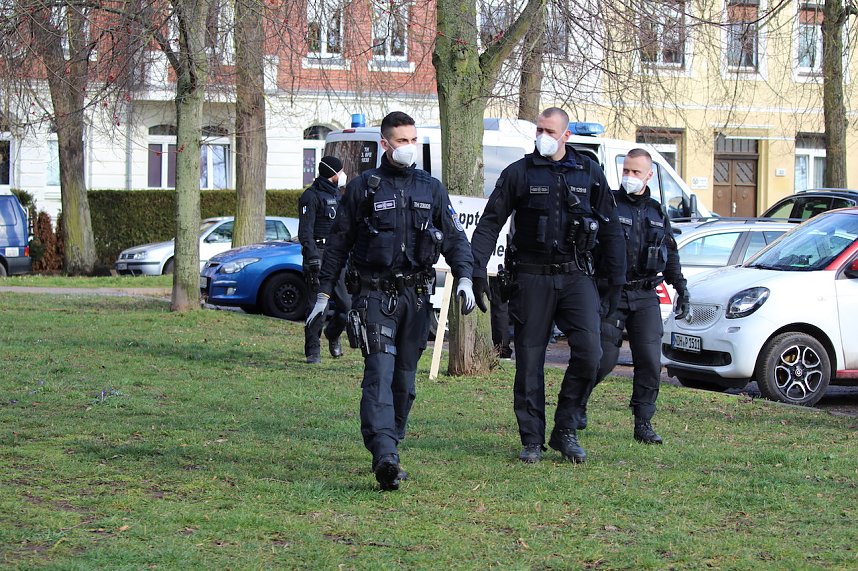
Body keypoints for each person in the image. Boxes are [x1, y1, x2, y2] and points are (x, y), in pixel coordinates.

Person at [309, 111, 476, 491]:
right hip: (373, 296)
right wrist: (323, 293)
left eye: (413, 139)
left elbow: (454, 238)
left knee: (405, 381)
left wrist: (465, 276)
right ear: (385, 144)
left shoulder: (430, 188)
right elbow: (338, 244)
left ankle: (392, 445)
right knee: (379, 375)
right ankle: (383, 454)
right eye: (402, 140)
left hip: (416, 299)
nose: (409, 147)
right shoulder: (365, 187)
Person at [470, 107, 625, 464]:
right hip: (531, 276)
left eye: (550, 130)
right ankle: (532, 439)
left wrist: (615, 281)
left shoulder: (589, 173)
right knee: (529, 361)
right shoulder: (519, 173)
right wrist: (476, 267)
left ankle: (565, 429)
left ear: (566, 135)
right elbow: (491, 222)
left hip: (575, 275)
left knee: (591, 353)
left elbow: (612, 229)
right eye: (539, 129)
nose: (543, 135)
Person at [582, 148, 689, 444]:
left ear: (649, 176)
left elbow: (670, 255)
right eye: (626, 171)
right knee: (602, 359)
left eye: (635, 172)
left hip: (645, 294)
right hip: (611, 292)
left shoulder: (656, 211)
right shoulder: (608, 205)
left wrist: (681, 287)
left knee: (650, 362)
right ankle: (577, 404)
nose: (629, 176)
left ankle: (643, 422)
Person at [298, 155, 352, 364]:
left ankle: (333, 334)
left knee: (346, 305)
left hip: (337, 256)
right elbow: (305, 231)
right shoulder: (310, 197)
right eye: (340, 171)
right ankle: (313, 351)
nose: (343, 175)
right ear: (333, 174)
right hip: (318, 254)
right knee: (316, 306)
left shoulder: (339, 196)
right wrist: (312, 257)